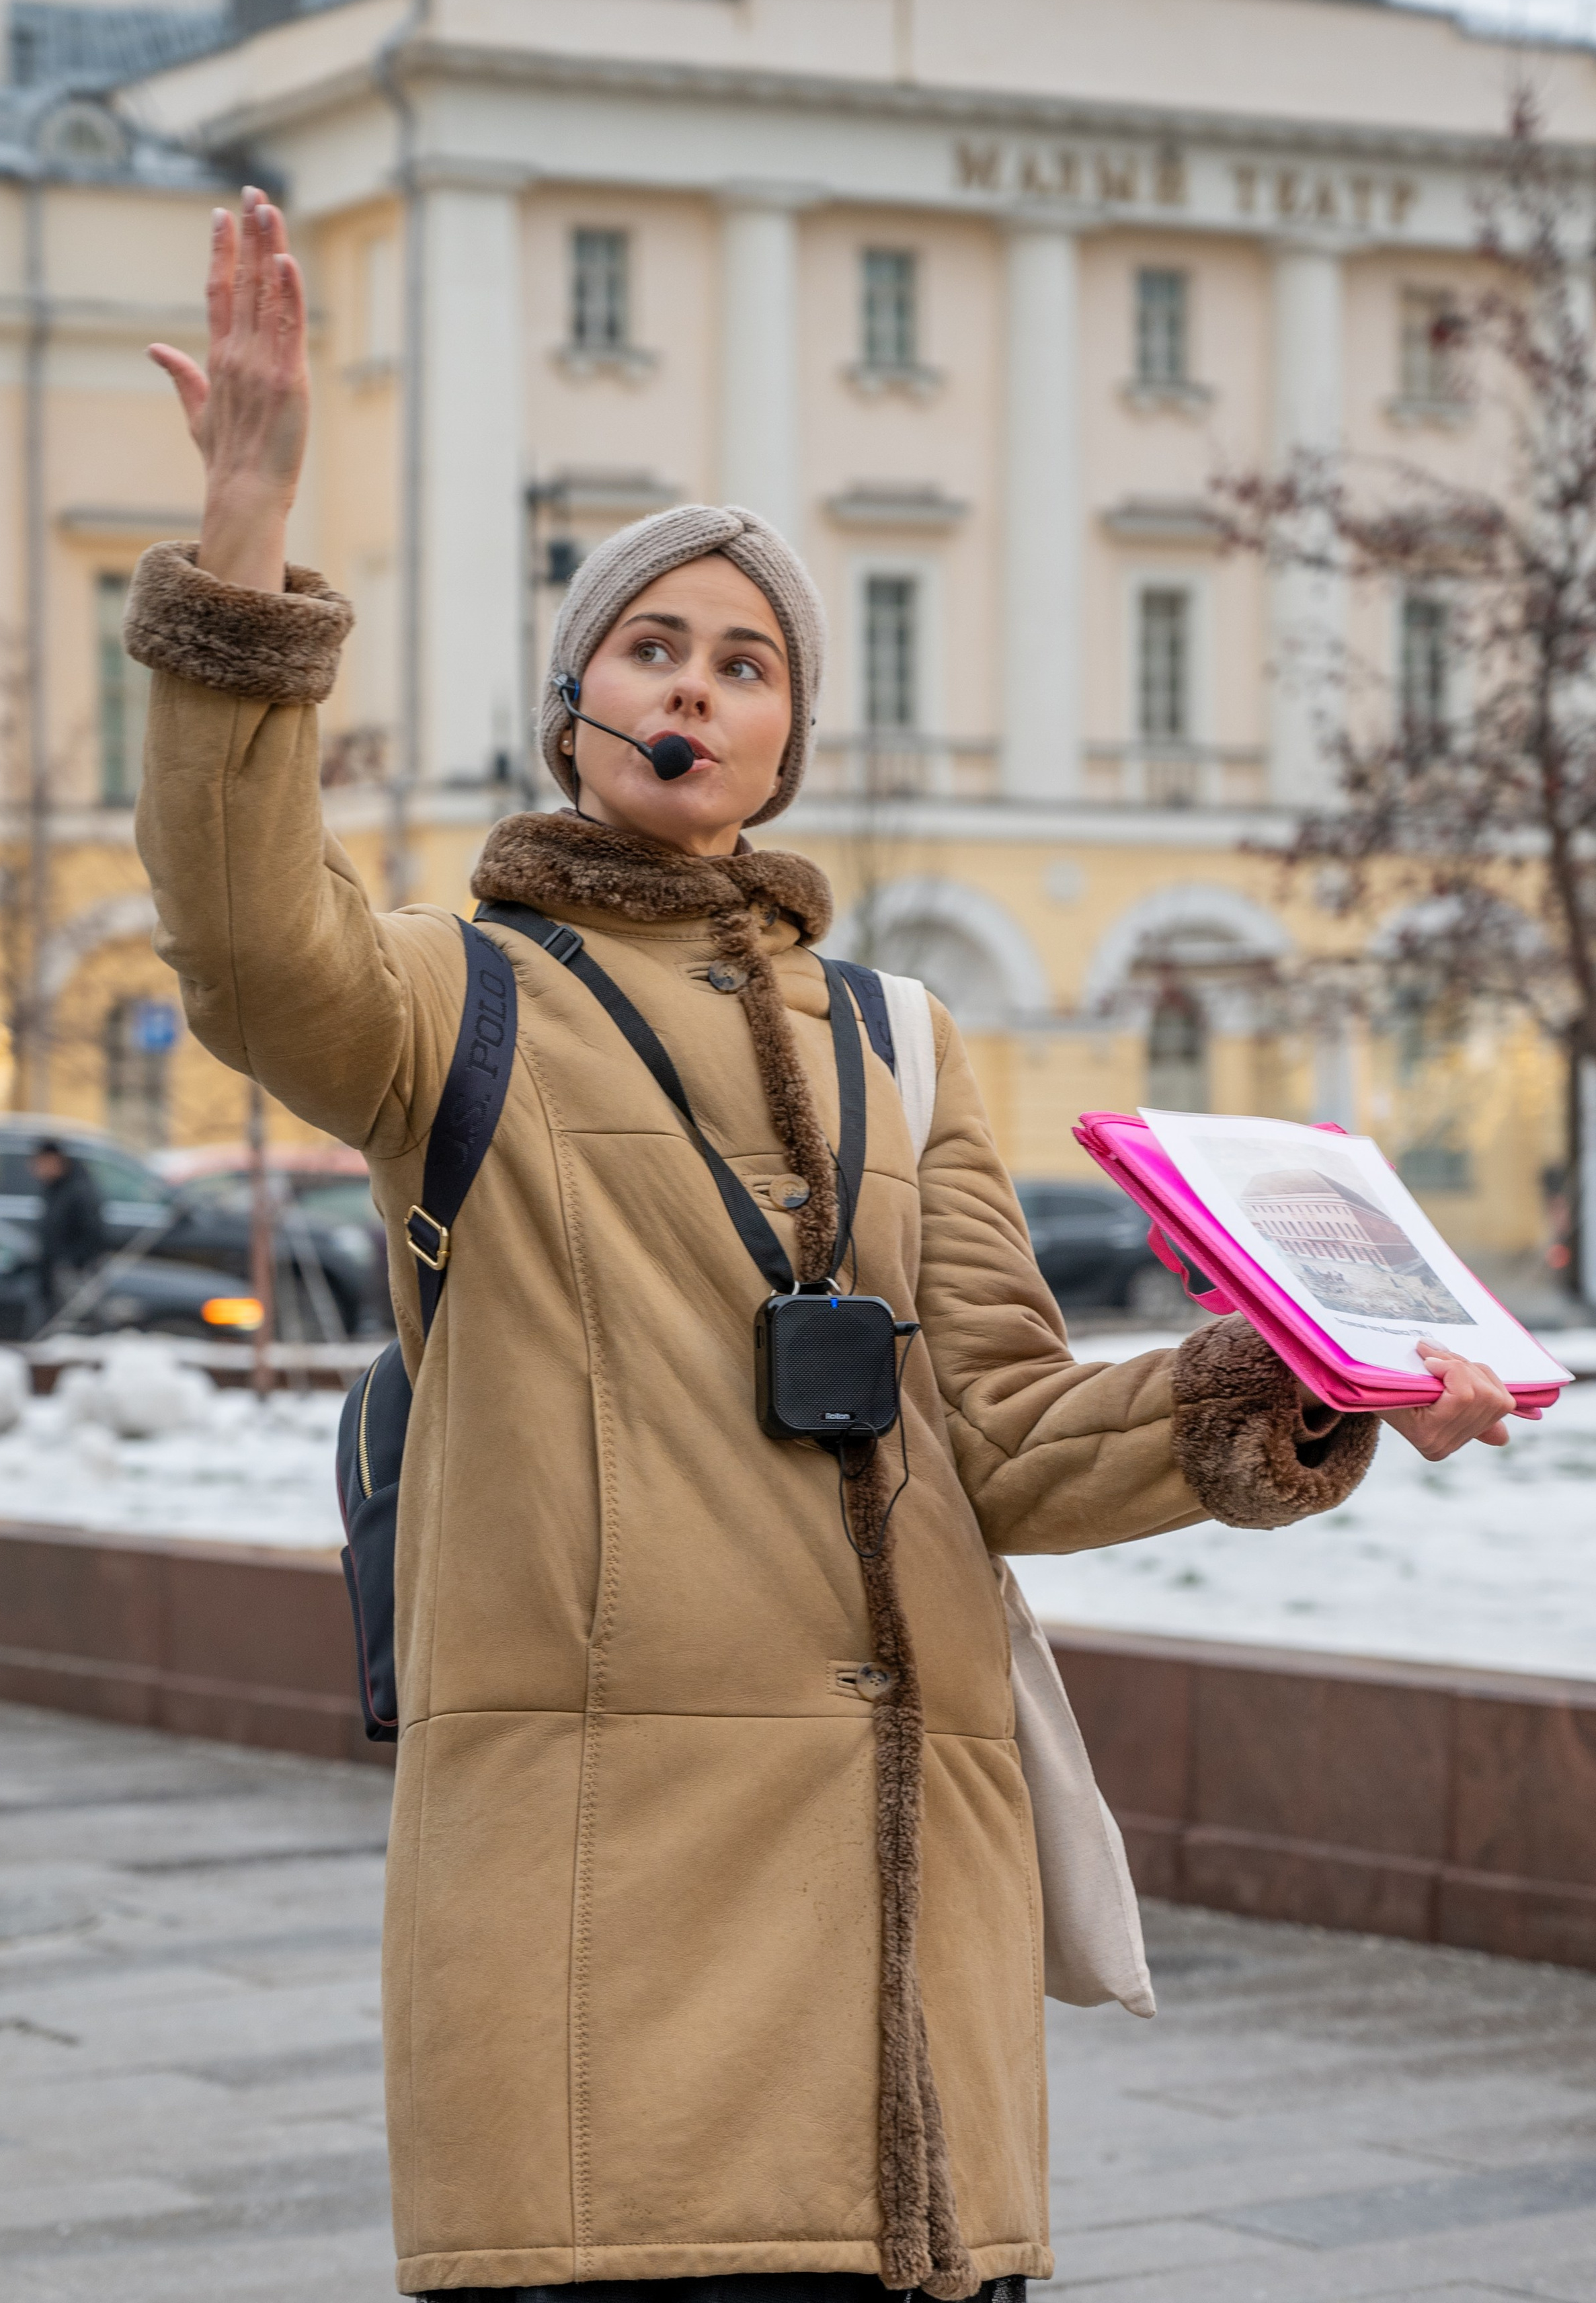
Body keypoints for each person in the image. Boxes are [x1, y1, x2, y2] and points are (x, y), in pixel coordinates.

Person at [130, 188, 1515, 2302]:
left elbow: (1014, 1438)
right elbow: (240, 938)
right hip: (605, 1938)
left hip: (909, 1980)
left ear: (790, 735)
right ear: (576, 698)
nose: (699, 684)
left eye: (746, 657)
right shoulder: (451, 996)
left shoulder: (902, 1038)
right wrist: (243, 545)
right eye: (655, 645)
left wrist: (1326, 1373)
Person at [30, 1138, 104, 1320]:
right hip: (53, 1271)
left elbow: (92, 1233)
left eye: (41, 1163)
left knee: (70, 1322)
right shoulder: (53, 1189)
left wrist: (70, 1262)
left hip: (70, 1273)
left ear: (55, 1161)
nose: (37, 1169)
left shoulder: (77, 1191)